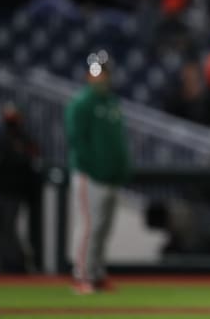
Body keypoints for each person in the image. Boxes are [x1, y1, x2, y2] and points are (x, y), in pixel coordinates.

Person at [65, 53, 131, 294]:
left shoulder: (111, 102)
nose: (100, 76)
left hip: (110, 176)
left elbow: (118, 142)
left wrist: (120, 169)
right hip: (90, 175)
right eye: (95, 71)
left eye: (103, 71)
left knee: (103, 228)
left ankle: (96, 272)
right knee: (89, 226)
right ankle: (81, 275)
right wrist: (93, 169)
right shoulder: (82, 103)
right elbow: (77, 141)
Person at [0, 103, 41, 273]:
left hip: (12, 193)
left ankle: (15, 267)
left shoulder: (25, 140)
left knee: (7, 230)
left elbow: (31, 160)